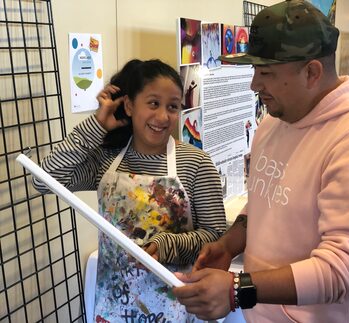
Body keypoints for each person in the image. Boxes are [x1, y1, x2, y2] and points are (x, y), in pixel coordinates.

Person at [172, 1, 349, 322]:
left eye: (266, 72)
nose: (255, 85)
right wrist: (230, 244)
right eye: (255, 70)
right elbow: (265, 200)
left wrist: (237, 289)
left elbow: (348, 269)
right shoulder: (274, 122)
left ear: (312, 71)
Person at [33, 59, 226, 322]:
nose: (162, 117)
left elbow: (217, 239)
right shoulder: (106, 161)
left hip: (176, 308)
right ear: (129, 105)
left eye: (172, 106)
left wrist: (167, 244)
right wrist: (96, 125)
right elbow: (44, 180)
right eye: (153, 103)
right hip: (113, 307)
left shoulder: (195, 163)